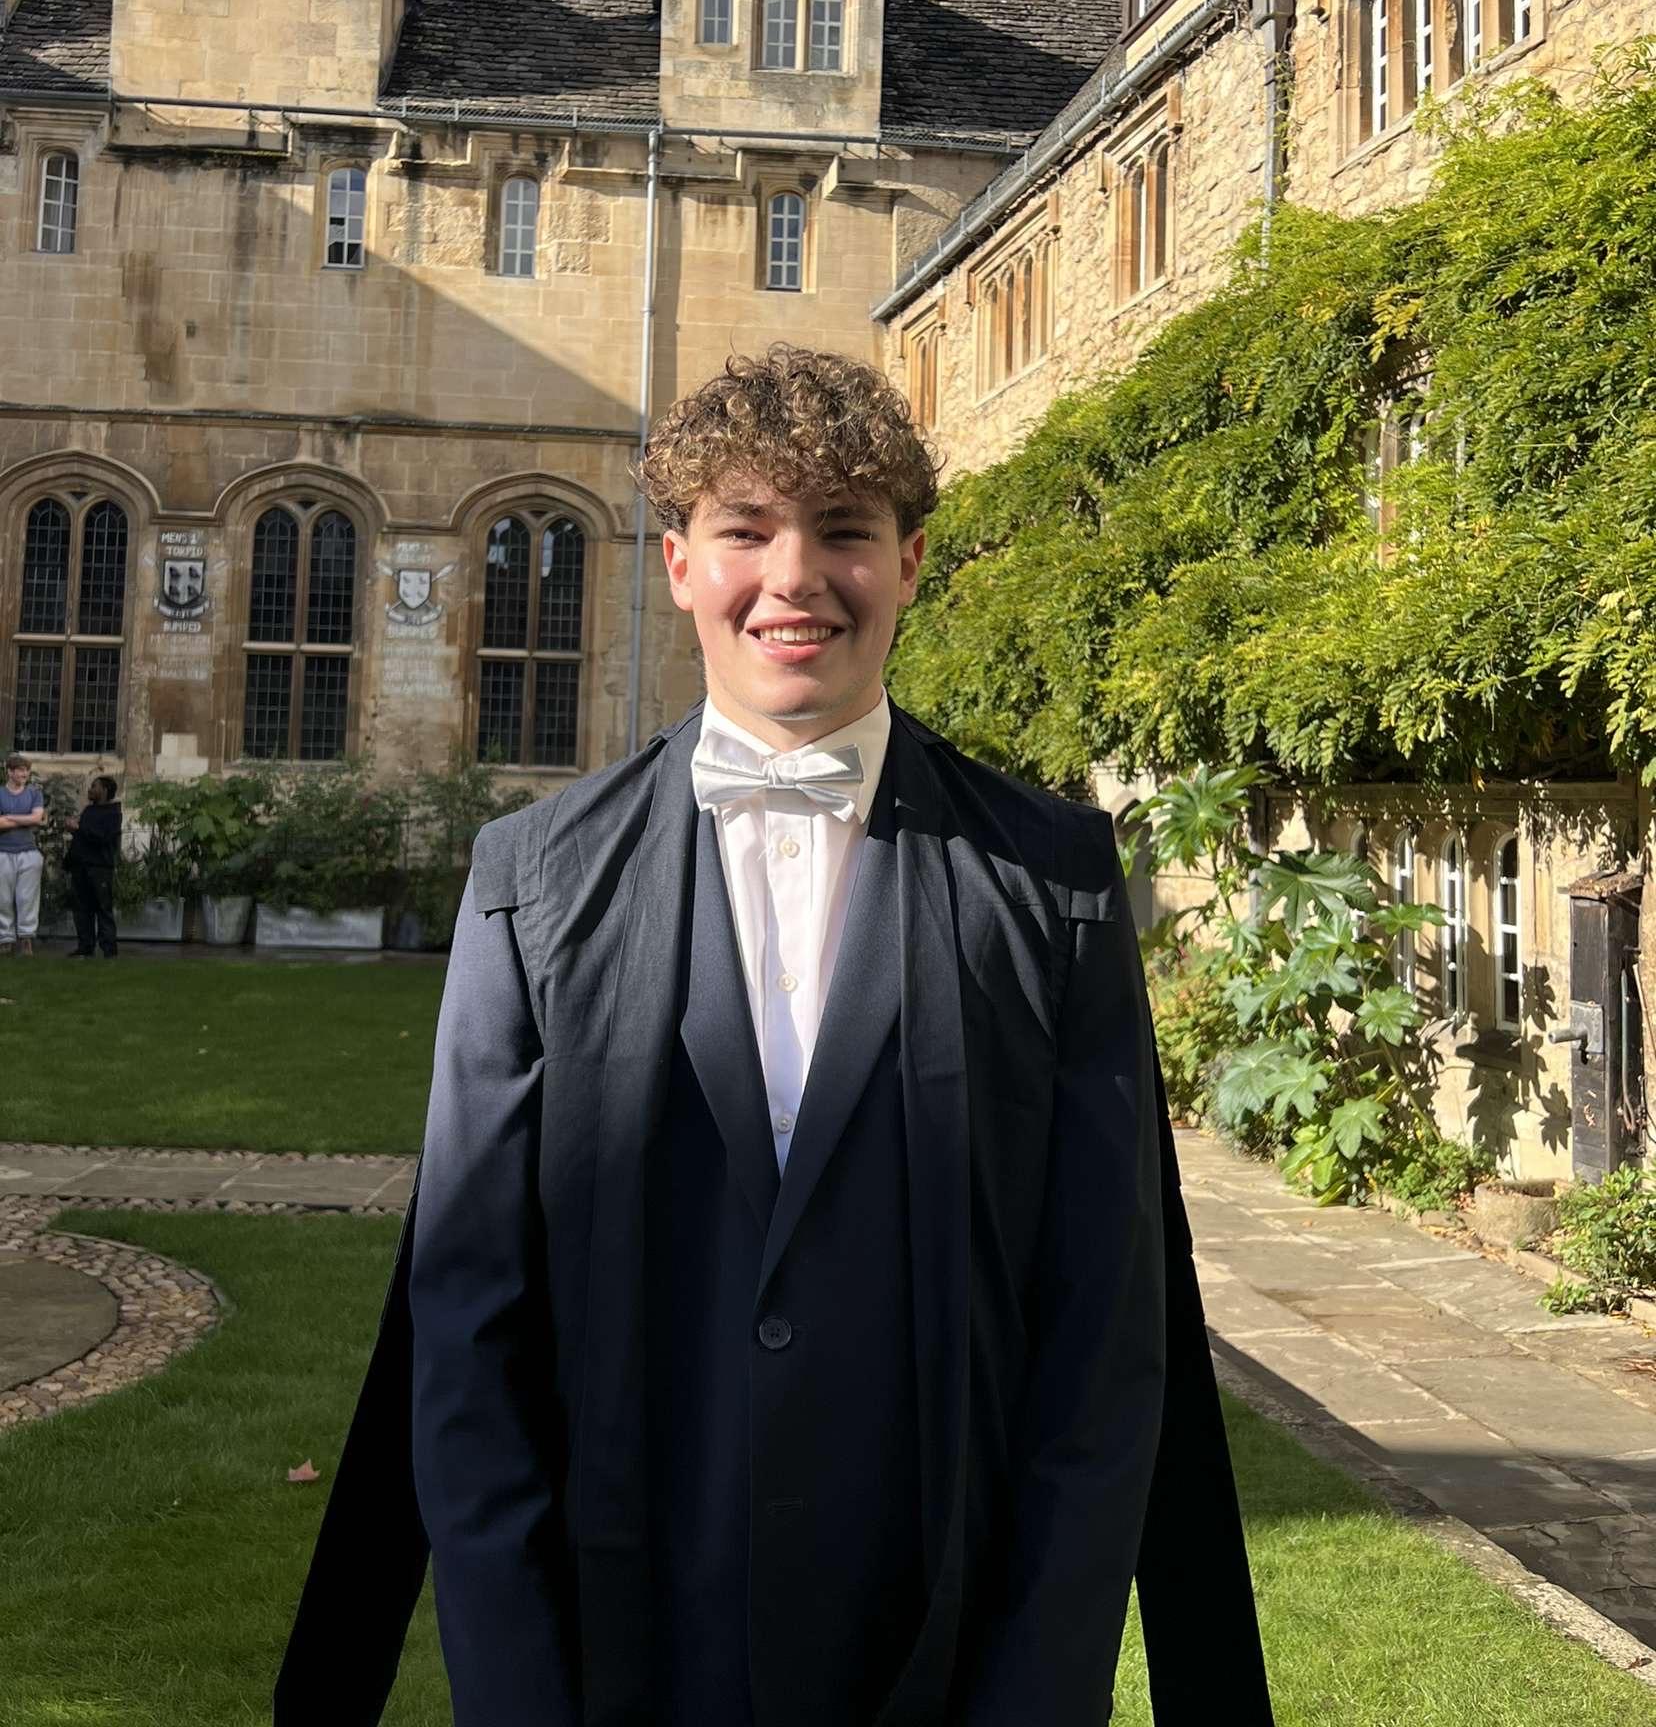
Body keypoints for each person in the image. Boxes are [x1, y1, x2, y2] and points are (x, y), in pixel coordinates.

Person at [277, 345, 1274, 1727]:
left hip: (949, 1637)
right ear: (679, 562)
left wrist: (1037, 1690)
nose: (796, 576)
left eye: (845, 533)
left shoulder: (1052, 879)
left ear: (912, 563)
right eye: (747, 530)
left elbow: (1106, 1339)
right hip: (624, 1641)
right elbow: (466, 1337)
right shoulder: (535, 877)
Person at [65, 776, 122, 959]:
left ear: (104, 790)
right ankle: (85, 946)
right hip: (80, 866)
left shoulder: (113, 813)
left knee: (103, 908)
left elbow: (103, 838)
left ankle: (108, 949)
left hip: (100, 868)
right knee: (82, 908)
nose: (90, 789)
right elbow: (81, 837)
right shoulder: (89, 810)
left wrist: (78, 828)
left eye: (94, 786)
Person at [0, 750, 47, 958]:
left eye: (27, 771)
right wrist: (25, 818)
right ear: (9, 772)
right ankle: (5, 939)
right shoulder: (0, 793)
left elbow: (37, 819)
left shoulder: (34, 793)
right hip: (3, 852)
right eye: (20, 770)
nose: (24, 774)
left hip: (29, 852)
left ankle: (26, 939)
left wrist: (9, 817)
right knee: (2, 899)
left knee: (27, 897)